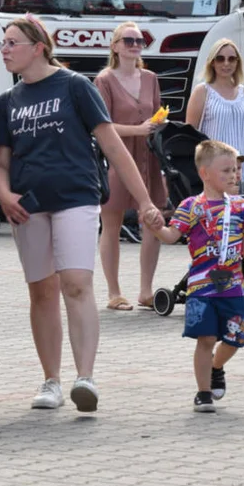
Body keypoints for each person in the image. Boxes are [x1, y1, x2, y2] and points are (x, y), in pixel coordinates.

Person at [0, 16, 163, 413]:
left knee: (76, 283)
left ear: (38, 47)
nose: (4, 49)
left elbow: (113, 146)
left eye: (12, 42)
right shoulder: (7, 101)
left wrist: (146, 201)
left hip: (76, 196)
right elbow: (0, 162)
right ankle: (51, 380)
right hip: (27, 204)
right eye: (3, 42)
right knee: (42, 290)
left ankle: (85, 377)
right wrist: (4, 195)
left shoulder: (75, 86)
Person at [147, 140, 244, 413]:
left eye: (234, 170)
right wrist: (155, 227)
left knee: (235, 338)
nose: (233, 175)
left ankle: (216, 366)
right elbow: (170, 236)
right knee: (206, 339)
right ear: (204, 173)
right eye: (225, 170)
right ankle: (203, 393)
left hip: (233, 286)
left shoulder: (240, 207)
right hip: (200, 288)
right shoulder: (191, 207)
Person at [94, 21, 168, 311]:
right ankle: (114, 293)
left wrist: (159, 124)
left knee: (153, 221)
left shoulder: (150, 78)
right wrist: (138, 130)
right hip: (117, 158)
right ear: (115, 46)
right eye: (128, 40)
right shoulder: (104, 80)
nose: (135, 45)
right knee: (111, 224)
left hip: (149, 157)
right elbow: (100, 126)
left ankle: (146, 290)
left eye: (140, 40)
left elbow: (156, 115)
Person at [186, 39, 244, 193]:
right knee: (219, 215)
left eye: (231, 59)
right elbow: (189, 135)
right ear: (212, 62)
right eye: (220, 58)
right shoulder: (203, 91)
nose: (226, 63)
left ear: (237, 63)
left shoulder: (243, 92)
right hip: (215, 172)